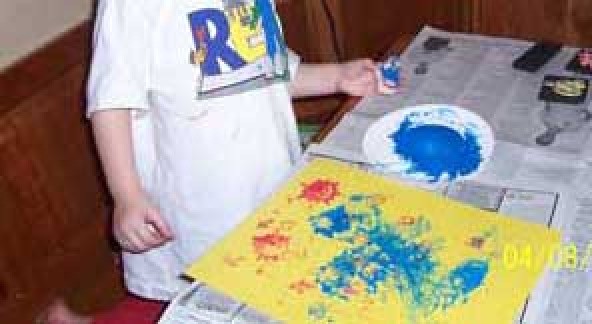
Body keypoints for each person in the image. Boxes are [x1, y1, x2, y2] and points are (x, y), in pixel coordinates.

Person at [43, 0, 378, 323]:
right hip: (199, 209)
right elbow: (110, 101)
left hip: (269, 183)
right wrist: (127, 195)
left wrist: (336, 77)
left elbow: (268, 71)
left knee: (262, 286)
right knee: (203, 300)